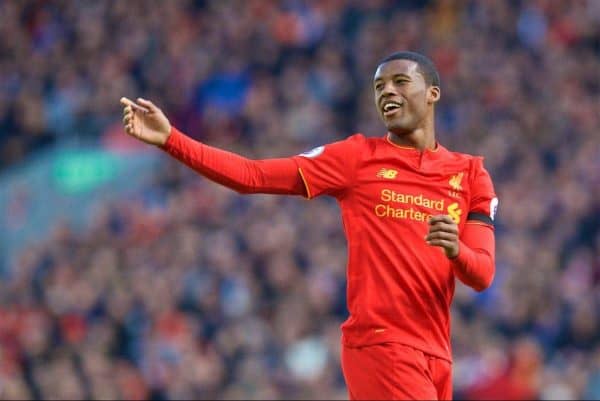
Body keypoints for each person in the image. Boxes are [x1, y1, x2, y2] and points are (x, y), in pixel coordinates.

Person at [120, 51, 498, 400]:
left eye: (400, 82)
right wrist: (172, 140)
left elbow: (481, 274)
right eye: (379, 86)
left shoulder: (470, 174)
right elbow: (252, 175)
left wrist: (456, 250)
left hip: (438, 353)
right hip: (382, 344)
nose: (387, 92)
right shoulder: (356, 158)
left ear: (432, 93)